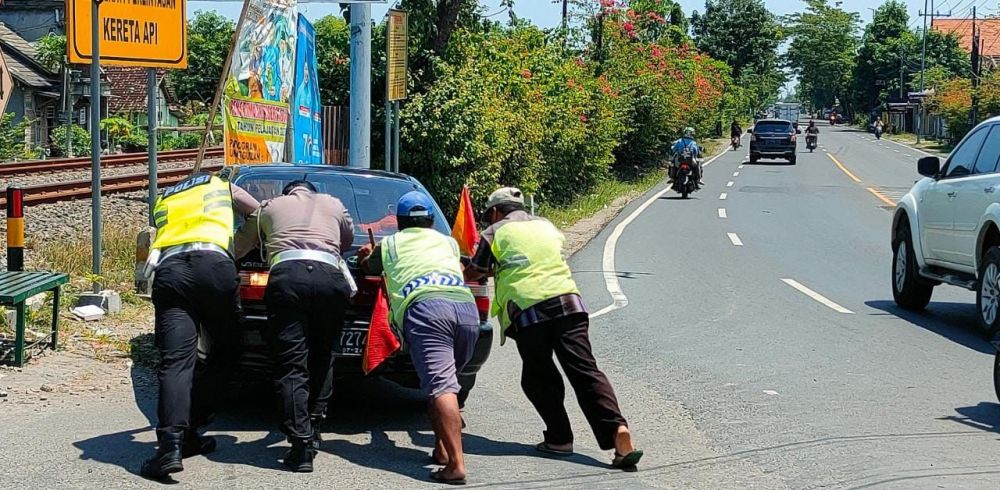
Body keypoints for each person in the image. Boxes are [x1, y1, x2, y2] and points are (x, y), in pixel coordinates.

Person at [465, 187, 644, 470]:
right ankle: (618, 430)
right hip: (569, 303)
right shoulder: (546, 225)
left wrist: (460, 271)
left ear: (496, 211)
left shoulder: (494, 232)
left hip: (528, 310)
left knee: (538, 376)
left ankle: (560, 438)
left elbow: (476, 270)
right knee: (585, 371)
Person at [139, 173, 260, 480]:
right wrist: (239, 246)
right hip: (214, 265)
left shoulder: (166, 198)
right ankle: (194, 426)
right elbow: (259, 212)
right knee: (226, 350)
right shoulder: (221, 185)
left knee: (176, 361)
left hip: (171, 270)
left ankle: (170, 448)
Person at [357, 191, 480, 485]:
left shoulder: (390, 244)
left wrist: (365, 256)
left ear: (399, 222)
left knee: (441, 387)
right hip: (466, 310)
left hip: (427, 310)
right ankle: (441, 448)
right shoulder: (449, 243)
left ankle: (456, 465)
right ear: (430, 220)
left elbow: (369, 267)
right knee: (447, 384)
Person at [233, 180, 355, 473]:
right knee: (324, 354)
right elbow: (346, 241)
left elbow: (239, 247)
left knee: (291, 363)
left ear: (287, 193)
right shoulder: (334, 203)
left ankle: (300, 446)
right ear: (311, 192)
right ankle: (314, 425)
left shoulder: (269, 207)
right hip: (330, 277)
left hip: (287, 278)